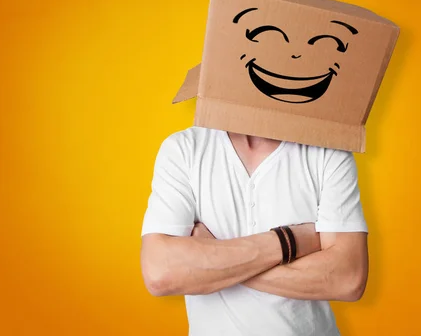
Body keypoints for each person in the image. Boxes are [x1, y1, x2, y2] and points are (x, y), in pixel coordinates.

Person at [140, 127, 369, 336]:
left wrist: (215, 261)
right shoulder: (184, 148)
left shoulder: (329, 153)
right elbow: (160, 273)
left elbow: (348, 279)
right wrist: (289, 241)